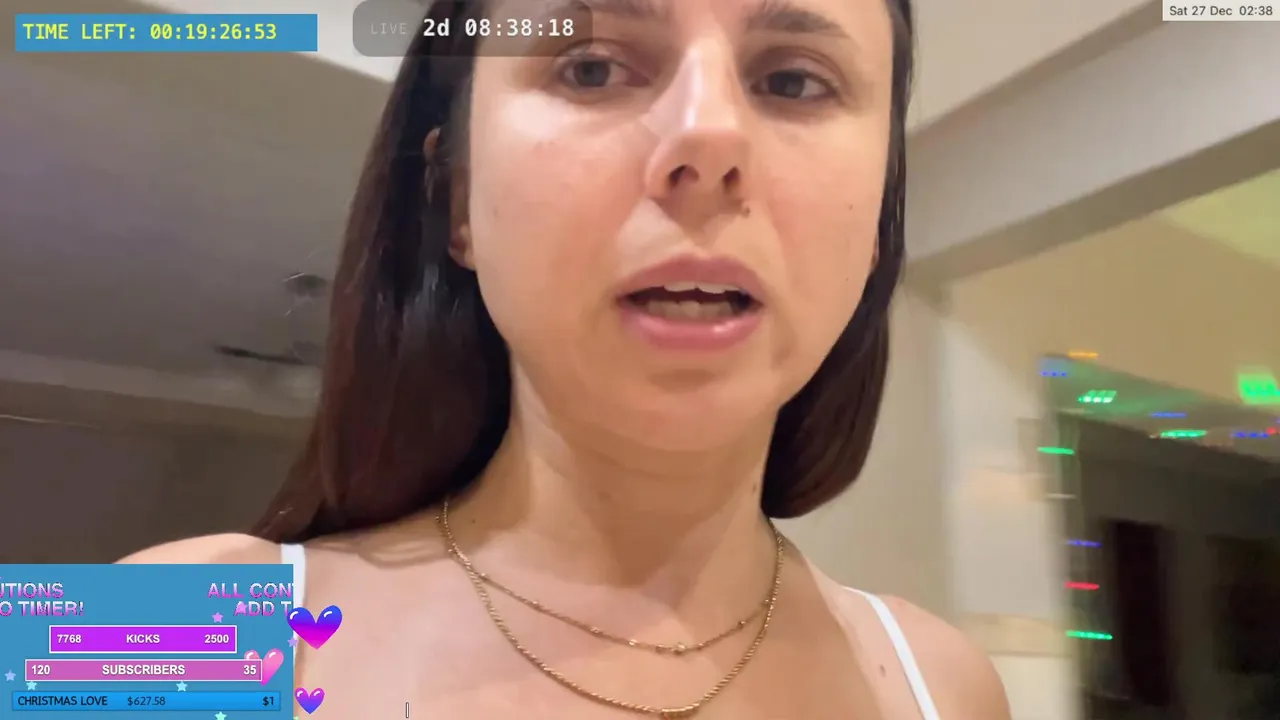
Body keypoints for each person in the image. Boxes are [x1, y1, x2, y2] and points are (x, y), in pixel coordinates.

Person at [126, 0, 1011, 716]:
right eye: (591, 67)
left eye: (792, 81)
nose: (708, 138)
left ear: (878, 216)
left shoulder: (945, 686)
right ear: (458, 195)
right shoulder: (164, 621)